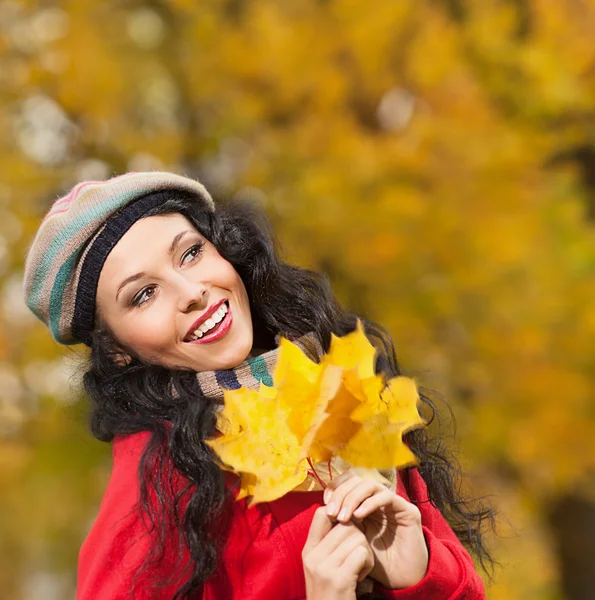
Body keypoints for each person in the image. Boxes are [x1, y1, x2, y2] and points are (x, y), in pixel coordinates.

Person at [23, 172, 495, 599]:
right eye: (144, 295)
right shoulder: (157, 492)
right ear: (117, 349)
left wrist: (422, 575)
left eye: (190, 253)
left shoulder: (345, 389)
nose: (192, 292)